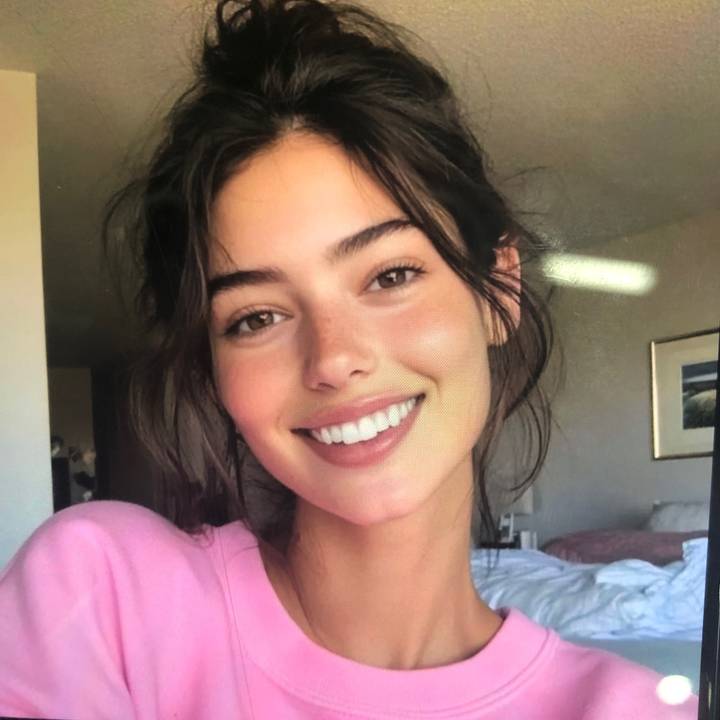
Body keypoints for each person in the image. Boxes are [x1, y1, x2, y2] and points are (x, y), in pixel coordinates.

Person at [0, 1, 699, 718]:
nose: (333, 359)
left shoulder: (633, 708)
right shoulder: (103, 601)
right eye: (257, 317)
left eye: (390, 276)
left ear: (498, 292)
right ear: (215, 372)